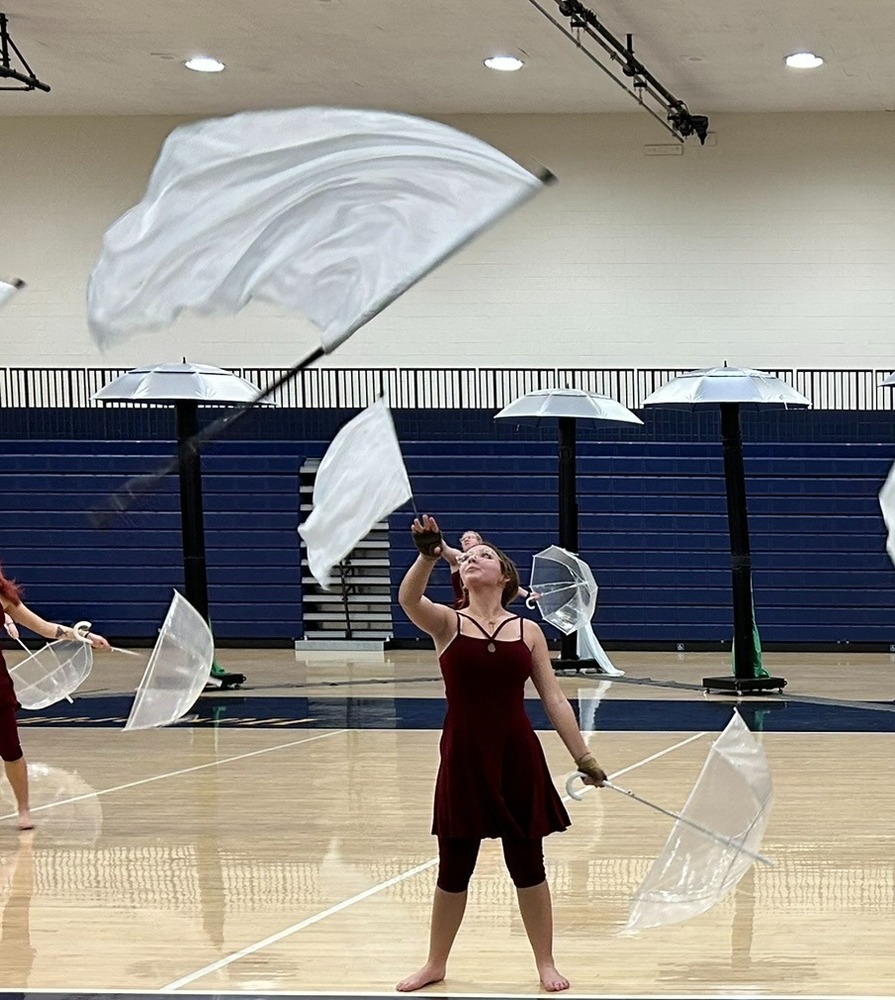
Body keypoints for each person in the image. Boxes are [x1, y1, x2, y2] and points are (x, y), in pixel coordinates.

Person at [396, 514, 607, 994]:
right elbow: (409, 599)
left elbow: (554, 699)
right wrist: (430, 554)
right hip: (464, 756)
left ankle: (546, 963)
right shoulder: (447, 622)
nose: (472, 559)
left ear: (505, 577)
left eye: (484, 555)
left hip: (517, 756)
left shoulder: (527, 632)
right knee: (454, 865)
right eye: (467, 557)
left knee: (528, 863)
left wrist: (583, 757)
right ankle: (435, 963)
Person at [0, 564, 110, 830]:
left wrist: (84, 636)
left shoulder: (4, 599)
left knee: (11, 749)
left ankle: (24, 810)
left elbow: (46, 628)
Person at [440, 528, 536, 608]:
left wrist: (528, 595)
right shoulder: (459, 558)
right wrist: (434, 538)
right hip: (464, 611)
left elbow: (509, 580)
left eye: (470, 537)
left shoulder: (494, 561)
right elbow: (445, 549)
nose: (466, 539)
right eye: (463, 539)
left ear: (480, 541)